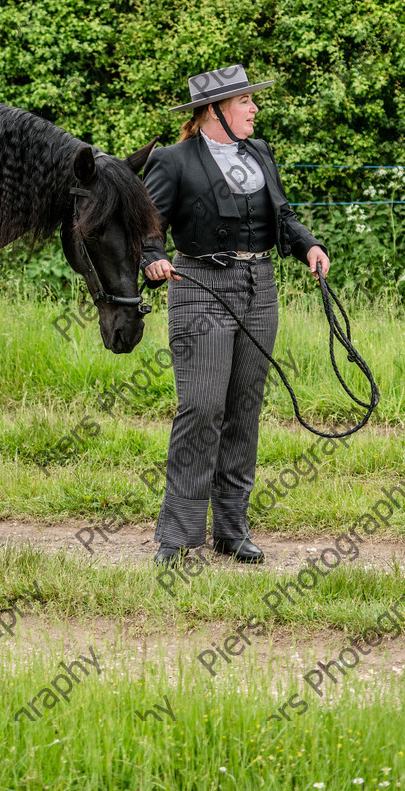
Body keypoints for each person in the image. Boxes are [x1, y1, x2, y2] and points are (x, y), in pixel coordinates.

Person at [140, 64, 330, 566]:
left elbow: (282, 215)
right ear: (216, 109)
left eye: (251, 102)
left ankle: (231, 528)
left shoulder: (259, 152)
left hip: (259, 287)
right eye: (246, 101)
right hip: (200, 286)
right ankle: (177, 535)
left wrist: (307, 245)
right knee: (201, 408)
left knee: (244, 410)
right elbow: (147, 225)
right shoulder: (172, 160)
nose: (254, 110)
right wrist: (150, 258)